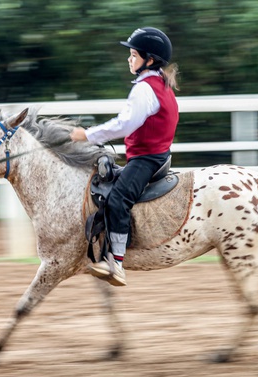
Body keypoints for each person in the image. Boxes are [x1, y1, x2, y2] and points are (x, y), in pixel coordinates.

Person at [70, 27, 179, 287]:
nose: (129, 60)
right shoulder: (159, 84)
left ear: (149, 60)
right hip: (153, 154)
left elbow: (125, 125)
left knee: (118, 200)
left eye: (133, 55)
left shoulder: (145, 89)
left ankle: (116, 262)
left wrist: (88, 135)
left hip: (147, 159)